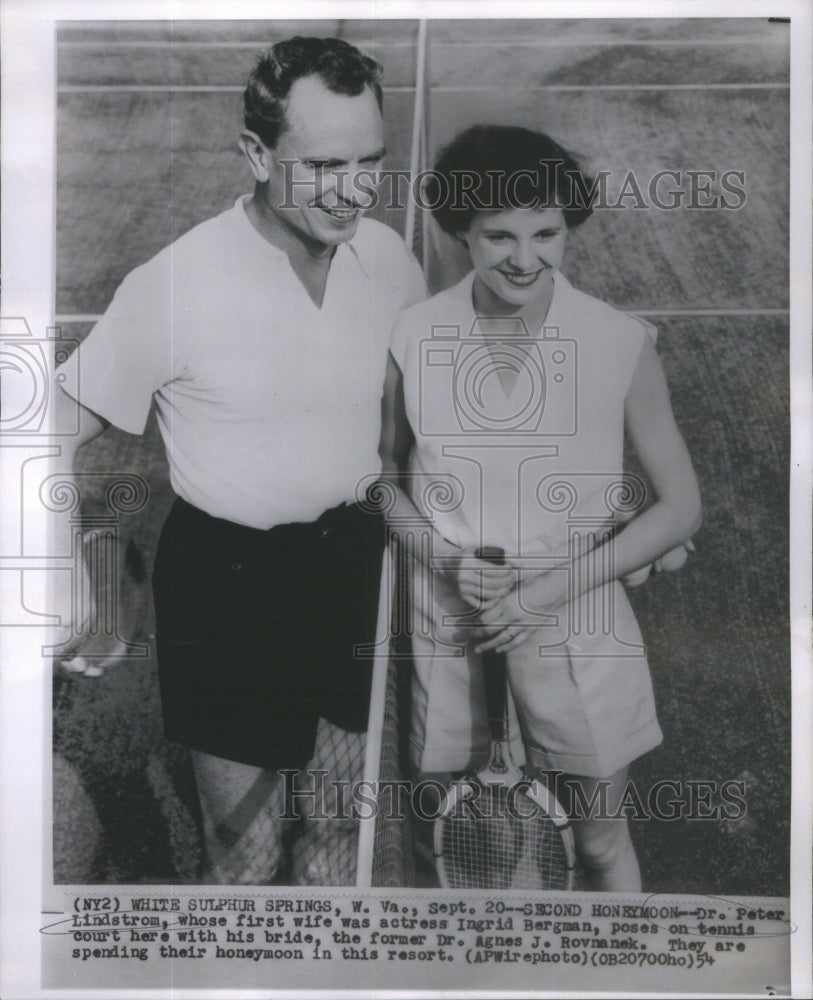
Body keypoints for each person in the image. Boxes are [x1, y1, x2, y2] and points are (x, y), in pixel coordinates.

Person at [53, 36, 426, 885]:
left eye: (369, 161)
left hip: (351, 570)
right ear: (257, 154)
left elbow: (412, 437)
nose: (354, 190)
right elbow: (42, 435)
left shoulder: (388, 262)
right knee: (246, 855)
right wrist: (88, 582)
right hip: (228, 587)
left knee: (338, 834)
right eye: (324, 165)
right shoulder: (175, 282)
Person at [379, 125, 701, 891]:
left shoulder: (618, 342)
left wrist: (550, 592)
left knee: (598, 847)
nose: (525, 257)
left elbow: (680, 507)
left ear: (566, 228)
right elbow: (385, 479)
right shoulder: (414, 334)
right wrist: (448, 558)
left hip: (577, 629)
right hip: (451, 627)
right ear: (459, 229)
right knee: (456, 853)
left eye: (546, 232)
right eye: (498, 235)